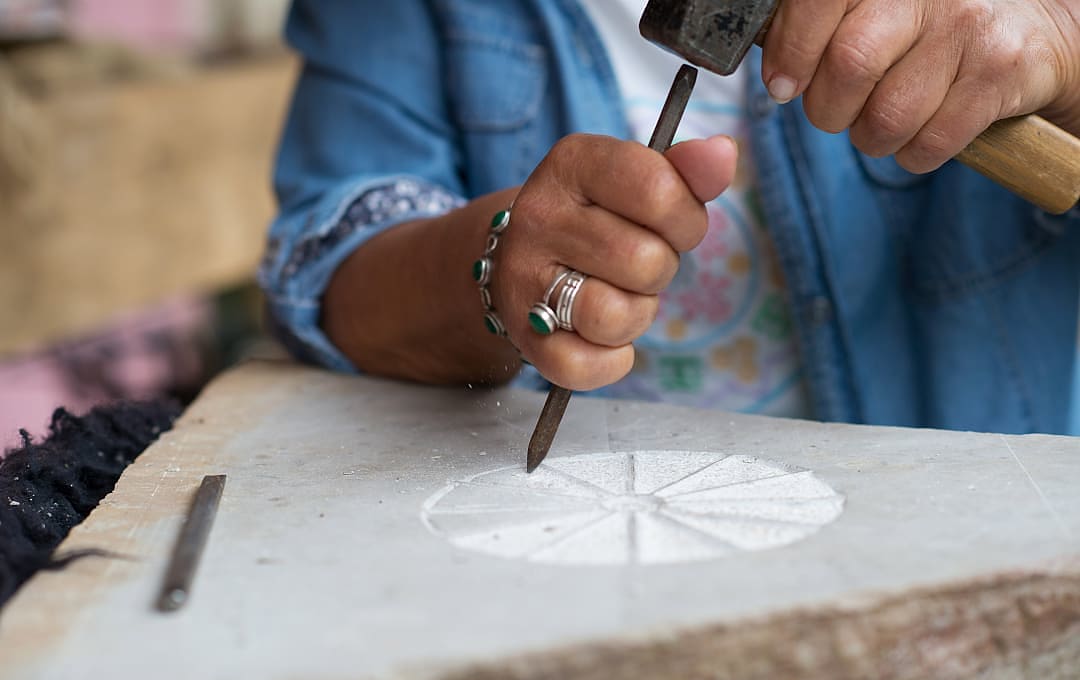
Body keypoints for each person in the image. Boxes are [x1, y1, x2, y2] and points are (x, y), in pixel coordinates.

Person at [262, 0, 1080, 435]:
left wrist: (1066, 43)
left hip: (965, 563)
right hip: (566, 560)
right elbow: (331, 272)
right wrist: (494, 265)